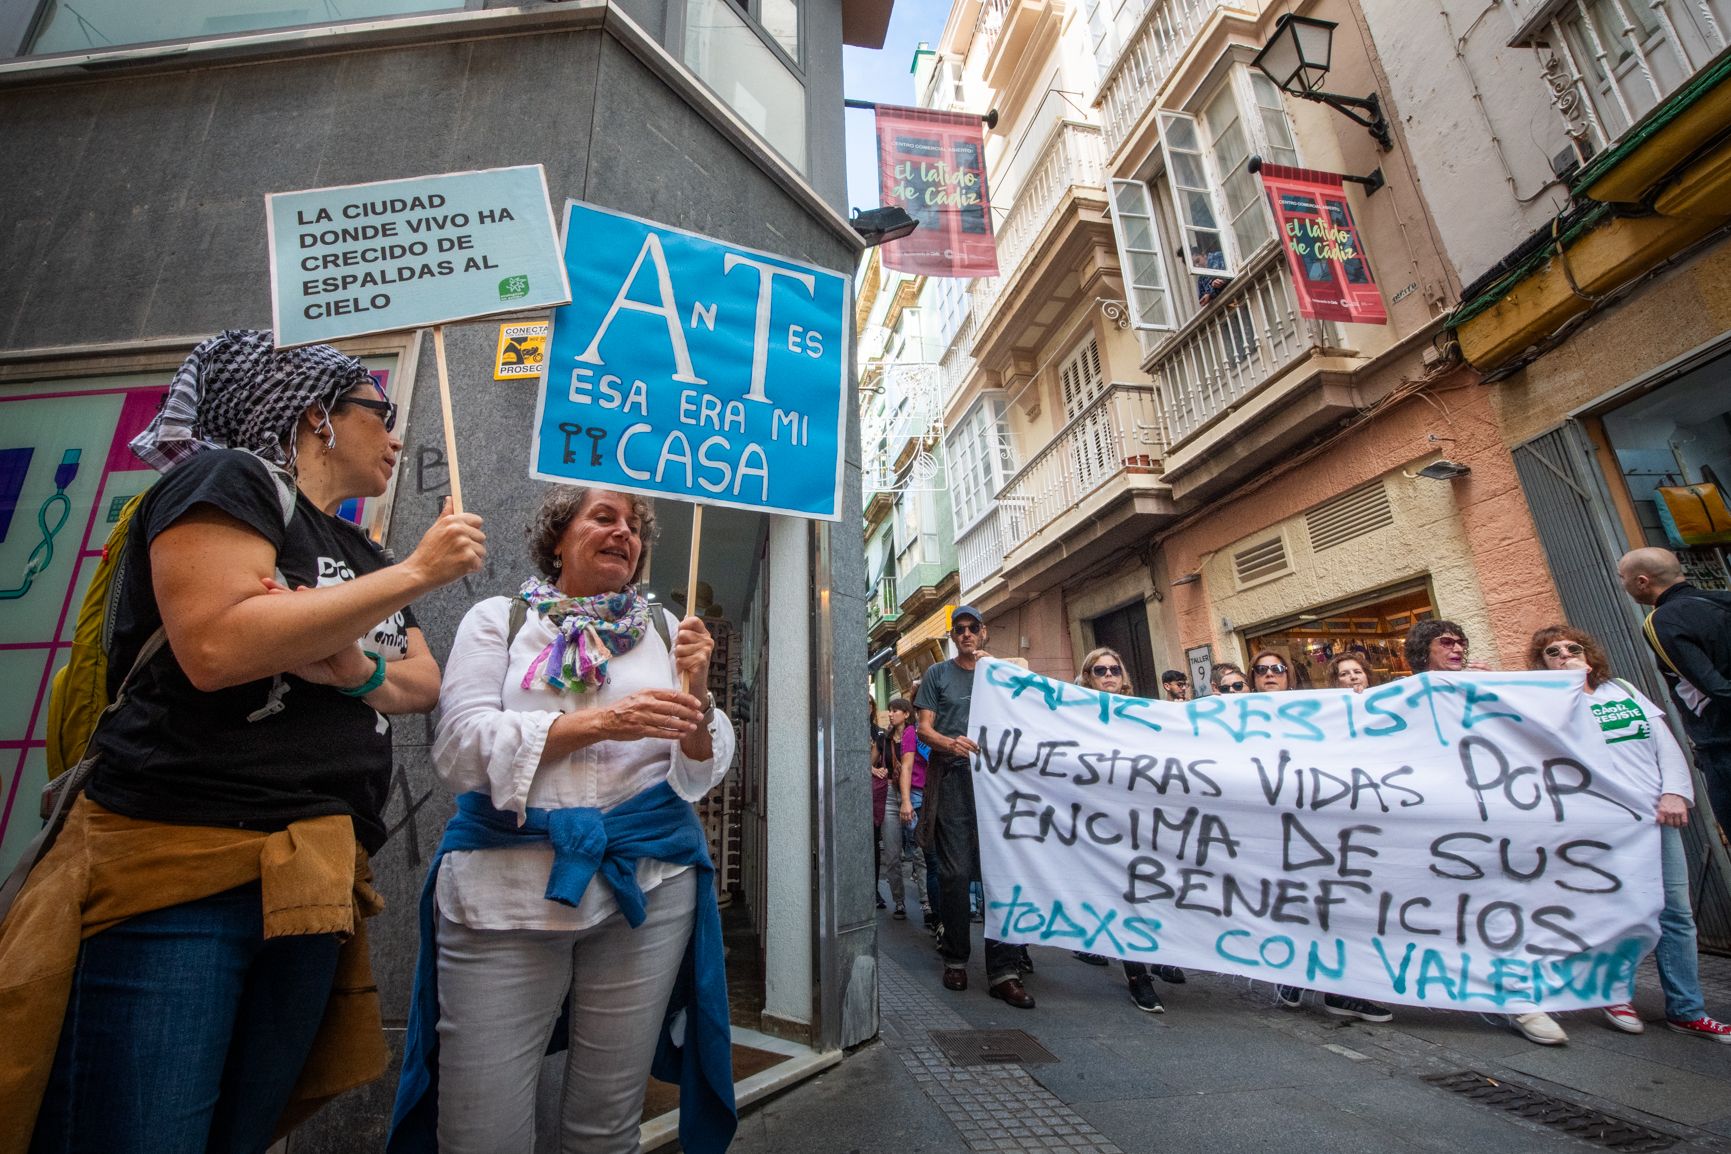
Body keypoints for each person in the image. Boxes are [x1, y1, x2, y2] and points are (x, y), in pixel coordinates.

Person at [0, 329, 487, 1154]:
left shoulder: (354, 543)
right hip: (182, 872)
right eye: (380, 409)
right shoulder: (227, 479)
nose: (396, 433)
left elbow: (419, 680)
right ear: (315, 418)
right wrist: (414, 575)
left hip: (310, 879)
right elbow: (219, 644)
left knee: (239, 1132)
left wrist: (340, 667)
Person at [390, 486, 737, 1154]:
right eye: (603, 517)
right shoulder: (500, 620)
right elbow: (459, 749)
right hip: (503, 893)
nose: (623, 533)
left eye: (634, 526)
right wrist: (597, 723)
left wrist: (697, 694)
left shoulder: (668, 630)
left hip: (648, 887)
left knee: (605, 1124)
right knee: (478, 1129)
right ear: (556, 538)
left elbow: (697, 768)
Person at [1530, 625, 1731, 1042]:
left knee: (1675, 913)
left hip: (1653, 819)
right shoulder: (1547, 708)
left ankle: (1687, 1009)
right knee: (1613, 910)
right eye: (1553, 652)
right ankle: (1613, 991)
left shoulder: (1620, 690)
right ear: (1542, 664)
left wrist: (1675, 792)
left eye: (1573, 647)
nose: (1565, 654)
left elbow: (1663, 742)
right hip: (1601, 826)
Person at [1255, 653, 1394, 1024]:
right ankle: (1299, 976)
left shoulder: (1327, 710)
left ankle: (1338, 988)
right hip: (1282, 827)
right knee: (1298, 901)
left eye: (1277, 669)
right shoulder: (1242, 715)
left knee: (1344, 904)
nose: (1270, 675)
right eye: (1262, 670)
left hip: (1344, 824)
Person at [916, 606, 1034, 1008]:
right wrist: (951, 743)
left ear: (983, 633)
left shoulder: (1000, 673)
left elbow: (1033, 699)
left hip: (998, 782)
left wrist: (997, 668)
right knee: (954, 872)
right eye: (959, 629)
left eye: (972, 628)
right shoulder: (937, 674)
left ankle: (1005, 971)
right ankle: (956, 958)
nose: (965, 634)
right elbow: (924, 728)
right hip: (952, 777)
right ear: (953, 636)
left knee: (1002, 870)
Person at [1068, 648, 1187, 1011]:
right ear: (1087, 677)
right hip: (1101, 817)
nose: (1108, 675)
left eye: (1114, 669)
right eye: (1099, 670)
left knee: (1154, 887)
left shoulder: (1145, 712)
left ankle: (1161, 951)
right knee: (1122, 892)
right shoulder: (1073, 717)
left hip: (1145, 817)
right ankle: (1137, 974)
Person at [1618, 546, 1731, 831]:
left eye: (1623, 578)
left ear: (1642, 581)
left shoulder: (1661, 621)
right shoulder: (1723, 599)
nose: (1623, 585)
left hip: (1722, 743)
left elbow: (1713, 686)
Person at [879, 697, 928, 922]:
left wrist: (906, 800)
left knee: (920, 851)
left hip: (914, 794)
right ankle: (898, 900)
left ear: (906, 714)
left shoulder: (912, 734)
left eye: (895, 710)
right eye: (890, 710)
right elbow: (875, 761)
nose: (891, 714)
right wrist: (874, 769)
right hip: (891, 794)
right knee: (891, 853)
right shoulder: (886, 737)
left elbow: (908, 766)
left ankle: (927, 903)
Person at [1403, 618, 1489, 674]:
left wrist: (1492, 684)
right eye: (1447, 642)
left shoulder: (1474, 680)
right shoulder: (1407, 691)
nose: (1459, 649)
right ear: (1423, 649)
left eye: (1461, 643)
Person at [870, 697, 891, 910]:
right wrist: (871, 769)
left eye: (870, 704)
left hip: (877, 795)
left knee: (874, 843)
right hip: (857, 792)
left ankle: (874, 889)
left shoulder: (879, 733)